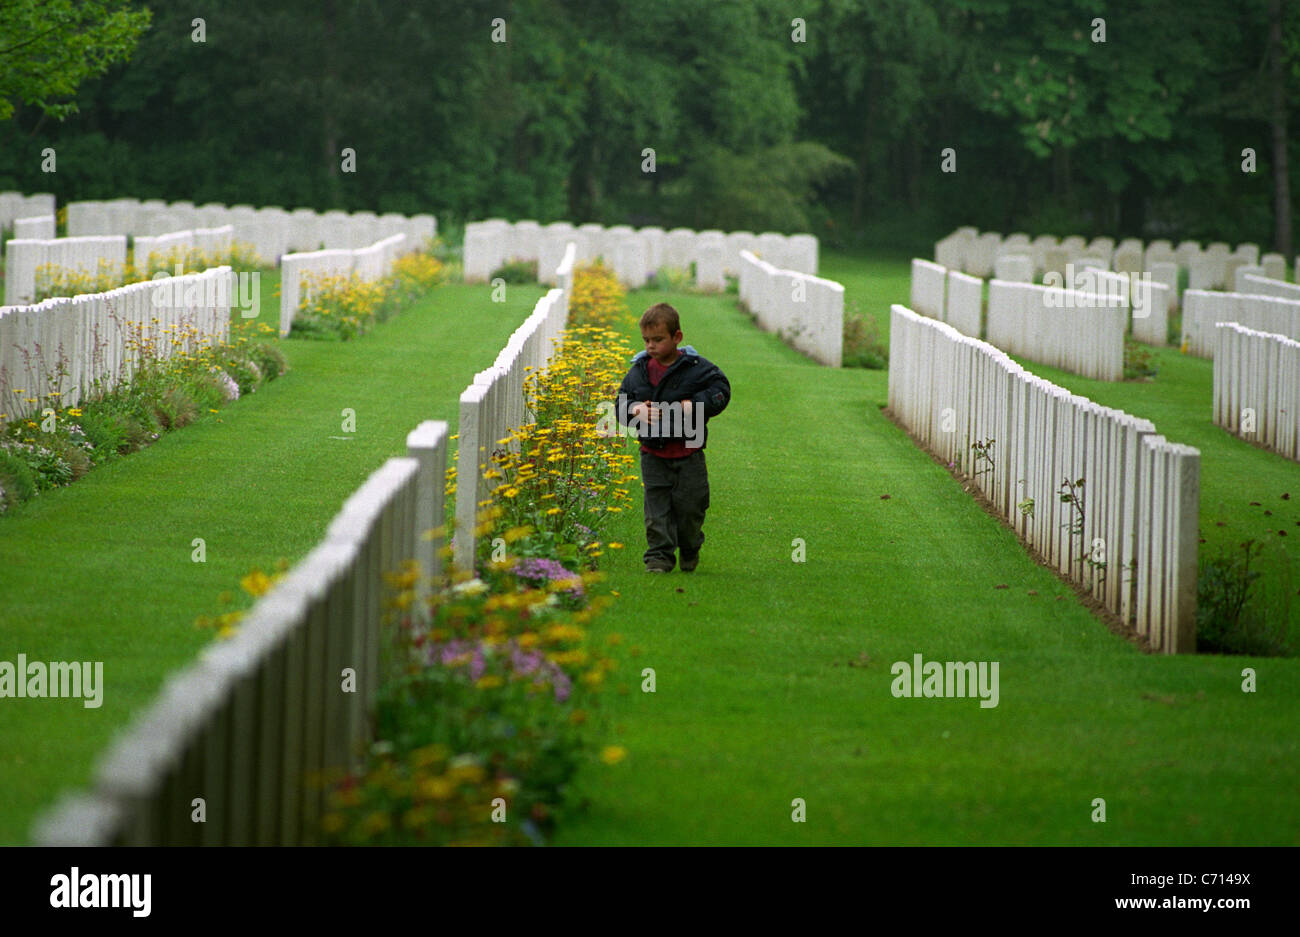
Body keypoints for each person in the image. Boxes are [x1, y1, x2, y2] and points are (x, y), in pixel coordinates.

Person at [616, 302, 731, 573]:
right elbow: (620, 403)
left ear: (676, 337)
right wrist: (635, 410)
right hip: (653, 454)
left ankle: (690, 546)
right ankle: (659, 557)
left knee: (691, 508)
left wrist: (696, 404)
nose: (651, 346)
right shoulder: (638, 372)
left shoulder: (696, 368)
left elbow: (721, 390)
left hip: (689, 453)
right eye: (646, 340)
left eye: (658, 340)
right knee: (657, 509)